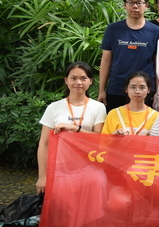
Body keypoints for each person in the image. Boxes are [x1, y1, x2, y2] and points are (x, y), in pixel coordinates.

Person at [36, 62, 107, 193]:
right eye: (73, 78)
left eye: (83, 78)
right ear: (66, 80)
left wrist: (75, 128)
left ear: (90, 81)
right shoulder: (54, 107)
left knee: (97, 186)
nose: (78, 82)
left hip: (89, 166)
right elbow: (44, 144)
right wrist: (42, 176)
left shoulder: (98, 107)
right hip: (60, 166)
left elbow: (99, 139)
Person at [99, 0, 159, 112]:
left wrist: (157, 91)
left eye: (139, 3)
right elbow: (106, 60)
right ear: (125, 5)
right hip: (117, 88)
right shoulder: (113, 29)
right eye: (131, 2)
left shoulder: (156, 31)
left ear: (146, 5)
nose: (135, 6)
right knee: (116, 122)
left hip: (145, 90)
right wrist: (101, 90)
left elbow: (158, 64)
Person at [102, 71, 159, 135]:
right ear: (126, 89)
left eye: (142, 87)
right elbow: (104, 140)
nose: (137, 91)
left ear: (148, 90)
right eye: (133, 87)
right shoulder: (114, 114)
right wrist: (114, 136)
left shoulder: (156, 116)